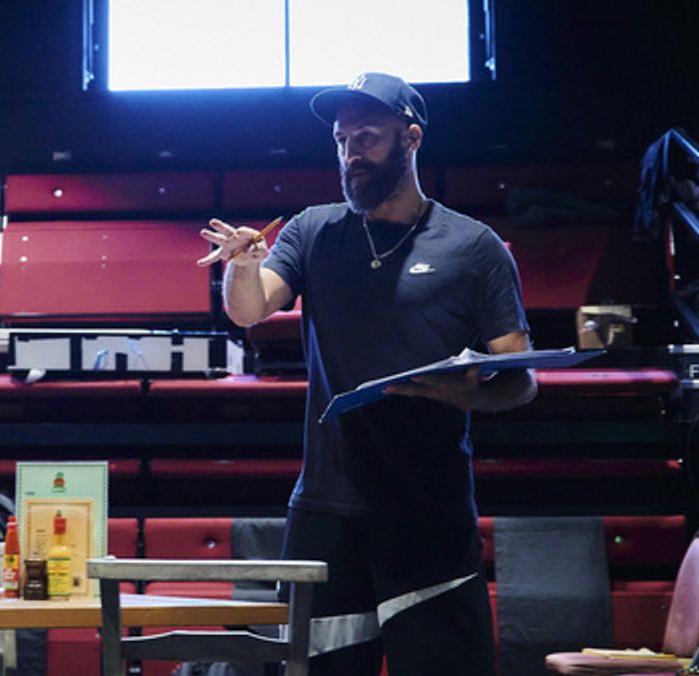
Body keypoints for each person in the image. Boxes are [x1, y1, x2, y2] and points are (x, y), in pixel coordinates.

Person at [198, 72, 537, 675]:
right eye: (341, 140)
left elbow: (518, 375)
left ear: (410, 139)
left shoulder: (475, 246)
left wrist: (472, 394)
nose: (351, 154)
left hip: (429, 510)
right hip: (328, 508)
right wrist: (243, 266)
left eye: (368, 138)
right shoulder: (312, 230)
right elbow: (248, 309)